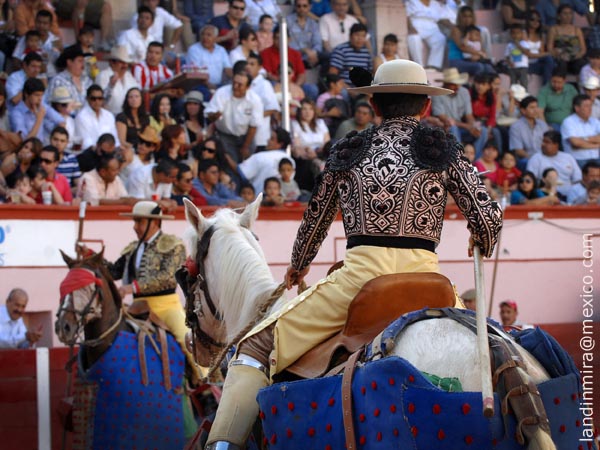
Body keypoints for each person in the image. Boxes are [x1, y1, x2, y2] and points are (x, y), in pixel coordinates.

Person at [203, 59, 503, 450]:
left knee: (255, 347)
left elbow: (315, 221)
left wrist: (298, 266)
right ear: (425, 106)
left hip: (360, 281)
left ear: (374, 105)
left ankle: (222, 446)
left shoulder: (350, 149)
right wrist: (481, 238)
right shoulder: (443, 149)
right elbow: (489, 217)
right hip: (433, 286)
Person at [101, 200, 201, 381]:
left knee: (187, 340)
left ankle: (206, 385)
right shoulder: (132, 248)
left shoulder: (173, 245)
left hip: (165, 306)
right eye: (135, 221)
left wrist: (133, 287)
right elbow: (114, 271)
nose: (135, 226)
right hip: (137, 307)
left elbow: (169, 277)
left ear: (154, 222)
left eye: (139, 221)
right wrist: (92, 259)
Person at [205, 71, 263, 162]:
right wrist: (215, 116)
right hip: (225, 135)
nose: (235, 87)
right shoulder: (222, 93)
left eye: (240, 85)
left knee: (248, 165)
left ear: (248, 87)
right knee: (230, 164)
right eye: (234, 83)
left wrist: (245, 146)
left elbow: (253, 126)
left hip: (246, 135)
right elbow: (209, 114)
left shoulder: (255, 100)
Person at [431, 68, 488, 158]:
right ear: (446, 84)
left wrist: (474, 127)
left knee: (483, 130)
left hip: (461, 127)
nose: (457, 87)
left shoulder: (464, 92)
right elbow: (443, 117)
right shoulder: (438, 94)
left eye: (458, 84)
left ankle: (474, 160)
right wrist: (468, 127)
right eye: (453, 85)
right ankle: (459, 158)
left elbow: (469, 115)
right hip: (444, 127)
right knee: (453, 128)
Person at [527, 129, 582, 197]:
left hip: (569, 195)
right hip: (545, 196)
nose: (543, 144)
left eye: (547, 142)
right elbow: (531, 181)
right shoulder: (535, 158)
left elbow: (578, 179)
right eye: (543, 141)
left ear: (556, 145)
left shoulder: (568, 157)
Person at [10, 78, 65, 143]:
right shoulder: (17, 113)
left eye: (41, 95)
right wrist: (39, 119)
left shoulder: (42, 106)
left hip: (43, 147)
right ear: (26, 94)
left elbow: (61, 121)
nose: (40, 99)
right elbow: (25, 141)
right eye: (36, 95)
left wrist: (55, 139)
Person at [46, 46, 93, 115]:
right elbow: (54, 106)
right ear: (69, 62)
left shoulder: (87, 80)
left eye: (83, 61)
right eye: (80, 61)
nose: (83, 65)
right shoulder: (58, 81)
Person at [95, 45, 139, 116]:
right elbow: (100, 101)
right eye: (121, 62)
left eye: (126, 63)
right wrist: (111, 85)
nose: (125, 66)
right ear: (112, 62)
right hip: (109, 117)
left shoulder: (129, 76)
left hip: (128, 117)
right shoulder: (103, 76)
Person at [509, 95, 550, 170]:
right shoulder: (516, 127)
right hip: (527, 158)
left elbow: (549, 144)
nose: (535, 110)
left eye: (536, 107)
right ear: (523, 110)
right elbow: (518, 151)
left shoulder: (543, 125)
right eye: (532, 107)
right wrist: (536, 159)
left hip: (544, 157)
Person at [186, 24, 232, 90]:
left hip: (218, 85)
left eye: (208, 35)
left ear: (216, 38)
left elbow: (228, 69)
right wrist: (208, 85)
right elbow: (195, 72)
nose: (205, 37)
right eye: (202, 34)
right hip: (200, 85)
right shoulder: (194, 49)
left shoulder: (221, 50)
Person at [74, 85, 119, 150]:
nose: (97, 101)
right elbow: (86, 143)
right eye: (93, 99)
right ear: (87, 99)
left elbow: (115, 139)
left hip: (110, 152)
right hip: (91, 153)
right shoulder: (81, 117)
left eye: (100, 98)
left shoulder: (109, 115)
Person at [561, 94, 600, 168]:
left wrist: (584, 139)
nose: (590, 108)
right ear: (577, 108)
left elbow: (579, 143)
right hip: (578, 159)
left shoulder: (595, 121)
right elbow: (576, 143)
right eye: (586, 106)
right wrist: (597, 145)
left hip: (596, 158)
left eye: (590, 105)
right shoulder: (568, 122)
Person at [328, 23, 372, 89]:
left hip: (362, 88)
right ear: (350, 36)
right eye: (357, 35)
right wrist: (350, 90)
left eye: (363, 36)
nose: (360, 38)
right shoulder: (341, 50)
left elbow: (370, 74)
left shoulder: (366, 52)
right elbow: (332, 74)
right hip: (344, 88)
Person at [406, 0, 447, 70]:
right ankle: (419, 66)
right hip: (417, 24)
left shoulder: (435, 4)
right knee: (413, 38)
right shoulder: (413, 1)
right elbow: (407, 16)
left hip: (433, 26)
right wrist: (411, 27)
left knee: (441, 38)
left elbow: (442, 18)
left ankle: (433, 66)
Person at [287, 0, 323, 71]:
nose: (302, 9)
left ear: (310, 7)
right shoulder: (287, 22)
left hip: (310, 56)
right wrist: (304, 50)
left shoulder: (313, 24)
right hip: (292, 55)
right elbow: (286, 42)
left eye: (305, 6)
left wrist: (313, 52)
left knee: (327, 57)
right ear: (295, 7)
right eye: (299, 6)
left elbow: (318, 43)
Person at [505, 24, 529, 89]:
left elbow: (527, 52)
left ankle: (525, 97)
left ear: (522, 34)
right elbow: (506, 57)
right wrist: (510, 63)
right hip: (513, 68)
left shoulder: (524, 43)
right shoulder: (509, 45)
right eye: (513, 33)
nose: (516, 35)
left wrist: (518, 45)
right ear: (510, 34)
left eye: (518, 33)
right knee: (513, 84)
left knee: (523, 83)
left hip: (522, 67)